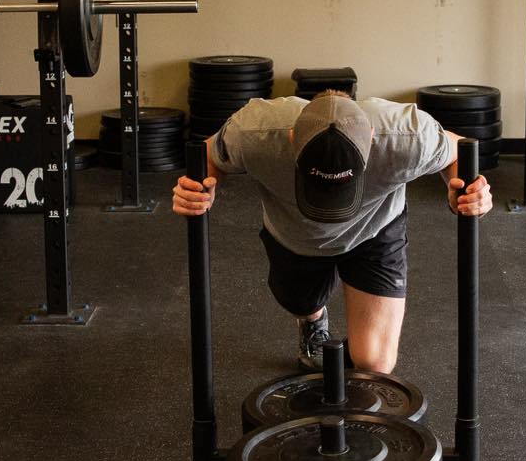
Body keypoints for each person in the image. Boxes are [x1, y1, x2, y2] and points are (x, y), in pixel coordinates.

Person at [170, 91, 491, 373]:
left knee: (375, 363)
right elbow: (209, 155)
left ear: (373, 137)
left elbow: (457, 152)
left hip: (373, 230)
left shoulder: (408, 136)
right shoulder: (255, 132)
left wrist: (463, 190)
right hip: (295, 234)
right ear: (292, 137)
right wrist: (200, 189)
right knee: (300, 302)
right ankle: (312, 320)